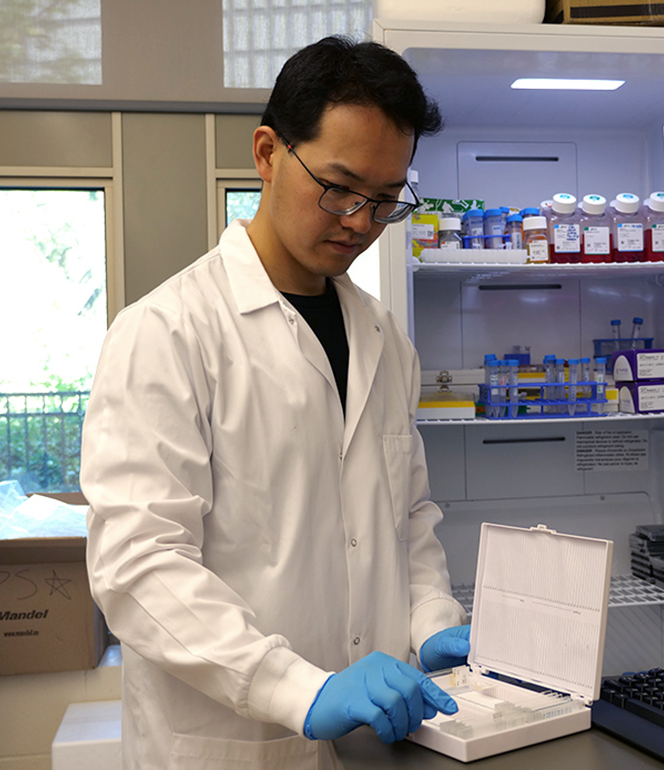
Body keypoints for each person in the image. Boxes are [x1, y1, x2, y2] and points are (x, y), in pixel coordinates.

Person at [82, 36, 471, 770]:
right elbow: (139, 567)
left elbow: (408, 522)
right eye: (340, 187)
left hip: (382, 745)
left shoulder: (385, 337)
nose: (360, 219)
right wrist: (297, 687)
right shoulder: (166, 333)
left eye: (386, 200)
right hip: (234, 749)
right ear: (267, 152)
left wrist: (432, 622)